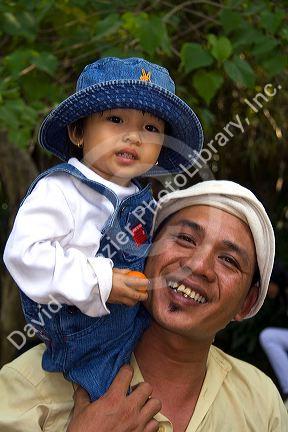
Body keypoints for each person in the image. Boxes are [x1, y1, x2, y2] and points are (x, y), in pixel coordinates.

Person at [1, 180, 287, 431]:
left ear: (247, 303)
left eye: (229, 260)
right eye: (186, 239)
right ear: (145, 253)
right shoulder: (31, 385)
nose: (198, 266)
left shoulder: (261, 402)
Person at [2, 57, 203, 401]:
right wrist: (101, 281)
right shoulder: (63, 190)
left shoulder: (143, 200)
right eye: (115, 119)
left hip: (133, 327)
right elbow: (24, 254)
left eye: (150, 129)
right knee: (115, 405)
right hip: (83, 340)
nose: (133, 136)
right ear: (78, 132)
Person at [259, 262, 288, 409]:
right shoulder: (282, 298)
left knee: (268, 336)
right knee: (268, 336)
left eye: (267, 283)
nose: (265, 289)